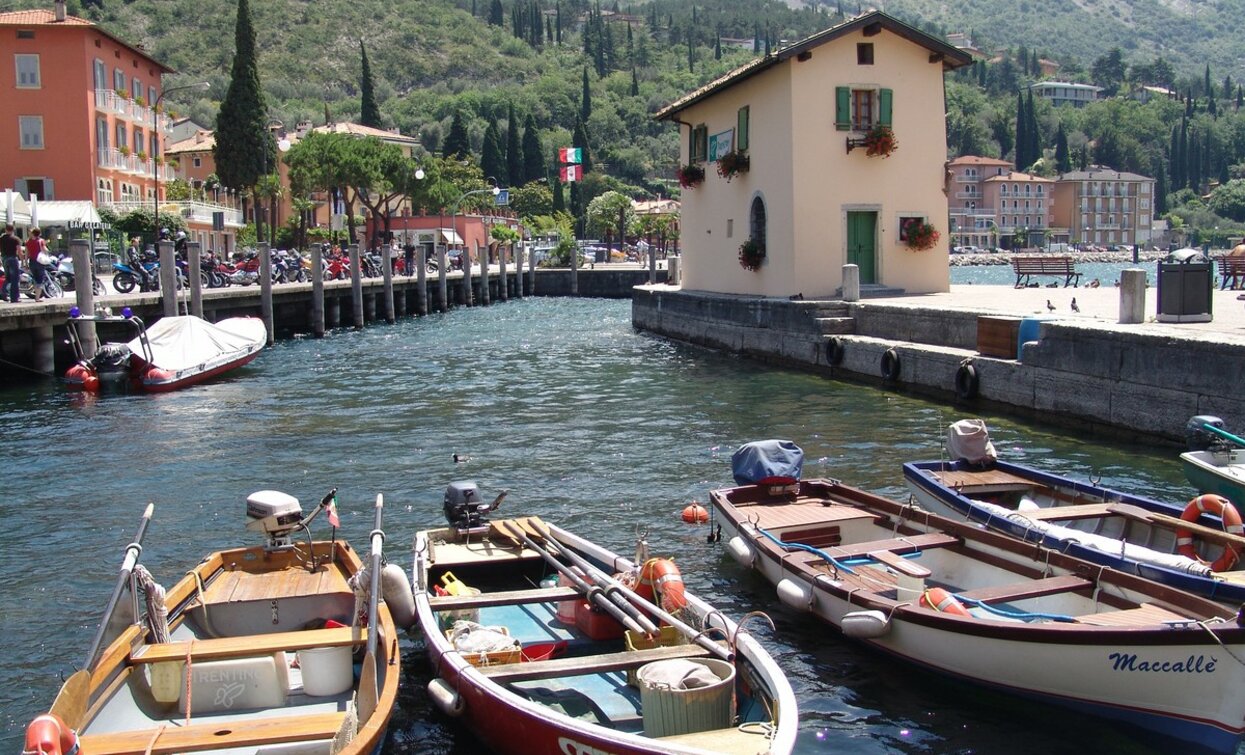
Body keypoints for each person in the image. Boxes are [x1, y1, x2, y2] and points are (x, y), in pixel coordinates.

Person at [24, 227, 51, 301]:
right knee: (40, 280)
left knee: (35, 279)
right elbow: (45, 250)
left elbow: (26, 254)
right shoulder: (40, 241)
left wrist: (26, 263)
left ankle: (37, 296)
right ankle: (37, 298)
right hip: (40, 262)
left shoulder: (27, 242)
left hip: (32, 262)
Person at [1, 224, 20, 303]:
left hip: (4, 259)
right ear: (13, 230)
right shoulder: (16, 239)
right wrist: (23, 261)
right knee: (15, 279)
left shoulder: (1, 239)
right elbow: (19, 251)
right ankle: (14, 298)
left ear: (5, 229)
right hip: (12, 258)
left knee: (8, 278)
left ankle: (3, 293)